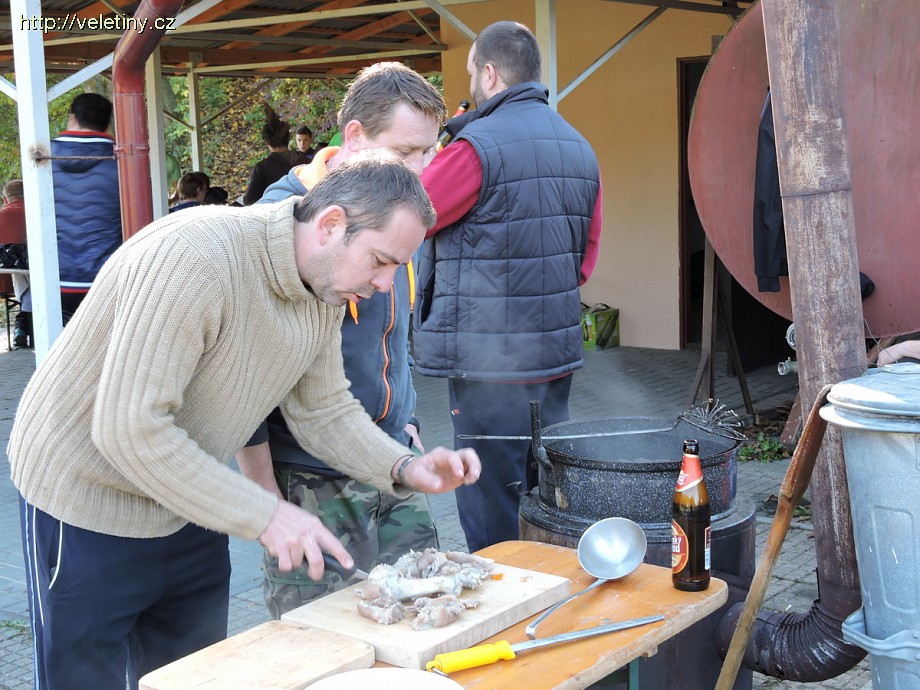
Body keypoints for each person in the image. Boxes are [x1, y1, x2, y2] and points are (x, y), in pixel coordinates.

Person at [8, 151, 481, 690]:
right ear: (331, 225)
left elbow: (324, 411)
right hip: (85, 501)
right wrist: (268, 514)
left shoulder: (322, 287)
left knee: (193, 676)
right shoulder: (192, 258)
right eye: (380, 261)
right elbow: (129, 428)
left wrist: (403, 466)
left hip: (188, 495)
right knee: (81, 680)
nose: (385, 284)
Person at [236, 61, 447, 617]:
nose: (421, 168)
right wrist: (265, 501)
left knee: (423, 611)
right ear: (354, 136)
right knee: (326, 635)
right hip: (310, 473)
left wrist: (408, 423)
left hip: (391, 456)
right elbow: (243, 380)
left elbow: (394, 338)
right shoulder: (284, 222)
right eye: (405, 151)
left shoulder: (400, 210)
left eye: (429, 151)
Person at [415, 21, 604, 552]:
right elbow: (584, 261)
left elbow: (412, 216)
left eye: (472, 71)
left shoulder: (474, 148)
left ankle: (503, 594)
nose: (471, 82)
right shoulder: (580, 147)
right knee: (548, 494)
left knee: (491, 503)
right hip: (555, 358)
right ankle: (551, 584)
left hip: (488, 364)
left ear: (491, 74)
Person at [52, 93, 123, 323]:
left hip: (54, 278)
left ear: (72, 118)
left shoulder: (43, 157)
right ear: (107, 123)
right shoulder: (124, 160)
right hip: (107, 278)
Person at [242, 105, 308, 205]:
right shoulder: (307, 162)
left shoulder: (262, 168)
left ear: (266, 141)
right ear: (288, 137)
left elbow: (249, 201)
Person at [0, 179, 30, 348]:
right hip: (45, 273)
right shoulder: (38, 212)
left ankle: (21, 327)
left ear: (5, 199)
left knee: (17, 270)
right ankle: (22, 326)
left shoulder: (2, 215)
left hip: (6, 281)